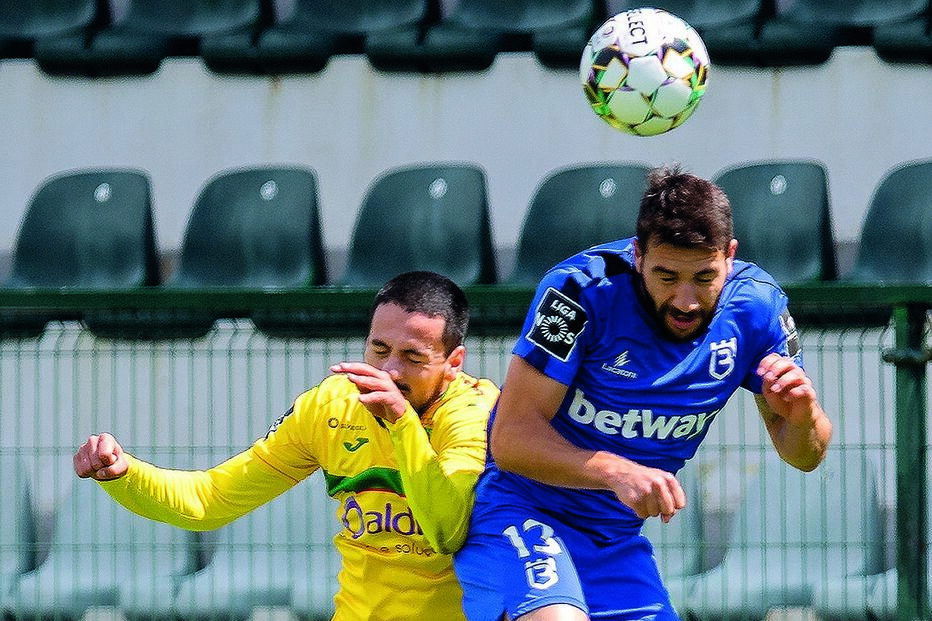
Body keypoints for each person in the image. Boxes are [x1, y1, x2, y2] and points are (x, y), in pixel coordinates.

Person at [453, 165, 833, 621]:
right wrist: (617, 471)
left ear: (729, 257)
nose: (686, 300)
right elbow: (512, 439)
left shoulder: (758, 308)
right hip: (523, 515)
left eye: (704, 277)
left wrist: (801, 415)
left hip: (614, 539)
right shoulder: (578, 293)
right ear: (637, 255)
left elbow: (805, 456)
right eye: (667, 277)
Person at [73, 270, 499, 621]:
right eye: (379, 349)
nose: (389, 371)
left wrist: (402, 424)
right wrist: (123, 474)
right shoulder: (330, 406)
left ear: (453, 362)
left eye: (413, 357)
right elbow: (210, 501)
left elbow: (448, 530)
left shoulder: (477, 415)